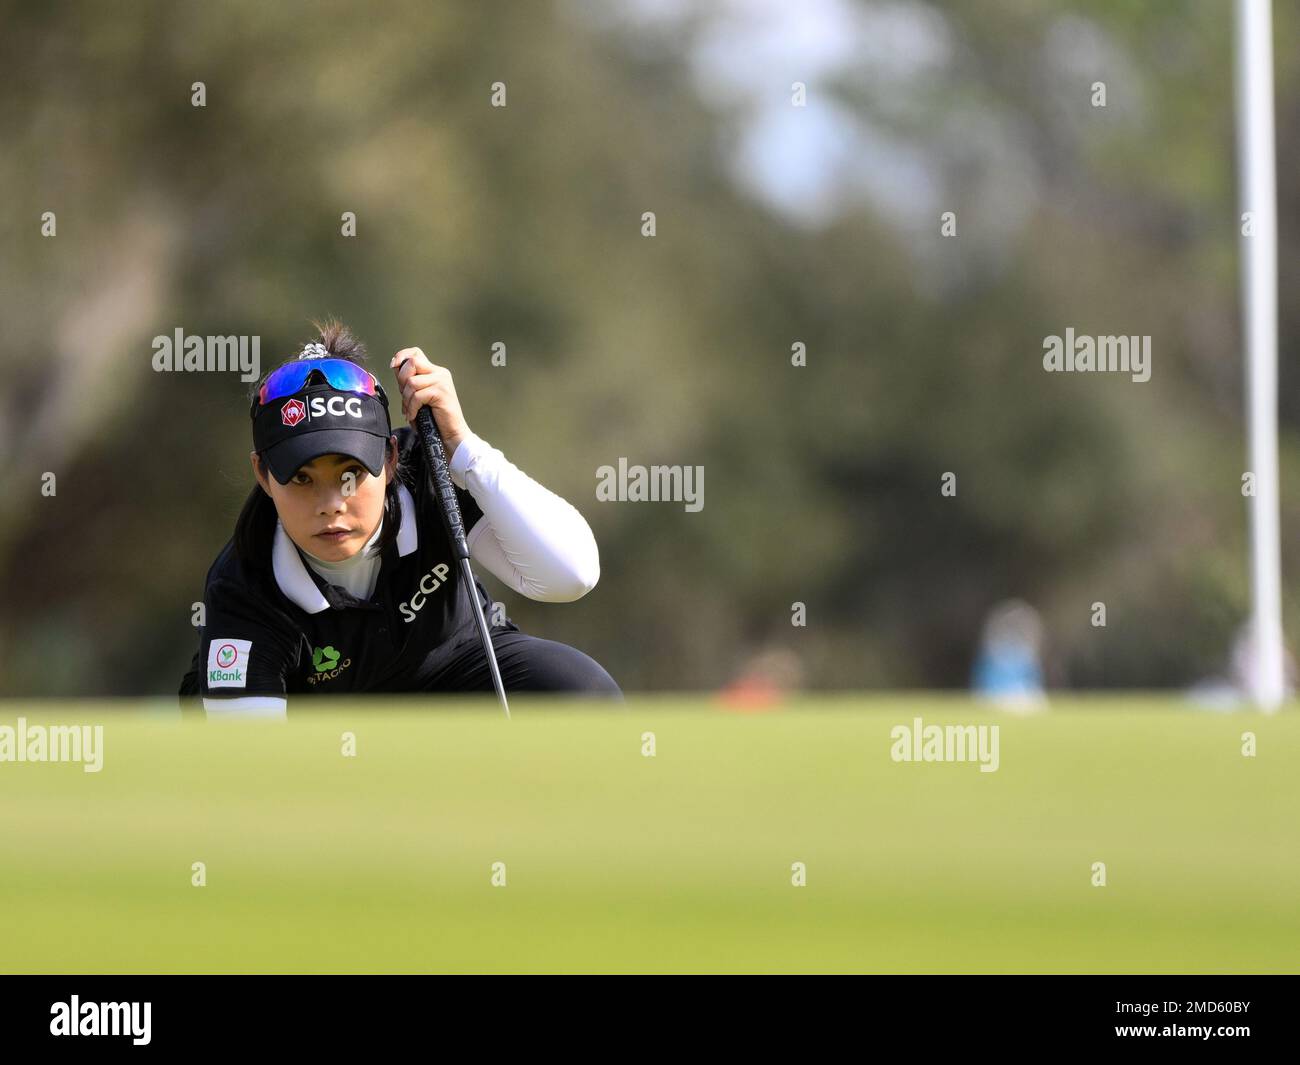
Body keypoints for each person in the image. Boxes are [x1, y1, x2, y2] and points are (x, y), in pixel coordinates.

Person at [179, 319, 622, 716]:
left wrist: (463, 446)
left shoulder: (429, 473)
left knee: (581, 691)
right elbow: (259, 773)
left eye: (351, 473)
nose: (331, 502)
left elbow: (571, 575)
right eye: (301, 478)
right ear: (263, 474)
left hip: (459, 670)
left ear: (390, 459)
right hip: (326, 739)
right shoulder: (245, 586)